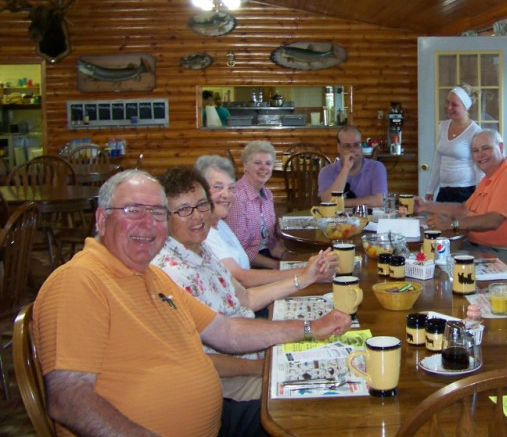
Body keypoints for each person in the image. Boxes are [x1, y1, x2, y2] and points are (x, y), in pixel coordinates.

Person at [33, 170, 351, 437]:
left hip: (218, 419)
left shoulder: (150, 278)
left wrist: (313, 328)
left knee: (320, 411)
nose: (148, 224)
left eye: (157, 213)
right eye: (133, 211)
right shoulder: (78, 280)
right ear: (102, 219)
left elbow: (227, 332)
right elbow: (68, 400)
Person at [152, 166, 338, 401]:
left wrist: (305, 279)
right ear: (164, 217)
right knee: (320, 395)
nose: (197, 216)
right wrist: (262, 368)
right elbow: (199, 358)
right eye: (183, 210)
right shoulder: (169, 274)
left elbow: (246, 298)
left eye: (201, 205)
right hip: (229, 380)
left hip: (254, 349)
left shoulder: (202, 249)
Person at [195, 154, 335, 288]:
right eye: (217, 187)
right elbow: (242, 278)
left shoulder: (220, 224)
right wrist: (305, 273)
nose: (226, 194)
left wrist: (303, 269)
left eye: (231, 188)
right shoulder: (203, 234)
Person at [415, 129, 507, 265]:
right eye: (475, 151)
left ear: (501, 147)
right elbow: (463, 209)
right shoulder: (490, 176)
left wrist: (451, 224)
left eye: (486, 148)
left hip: (499, 253)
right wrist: (426, 205)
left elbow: (493, 220)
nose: (480, 155)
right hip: (474, 247)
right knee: (425, 260)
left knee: (437, 266)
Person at [226, 140, 290, 269]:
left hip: (266, 253)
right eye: (257, 163)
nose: (264, 168)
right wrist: (277, 266)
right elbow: (240, 251)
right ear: (245, 166)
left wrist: (287, 257)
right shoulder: (238, 198)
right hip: (247, 265)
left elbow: (269, 239)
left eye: (268, 163)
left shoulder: (267, 194)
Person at [425, 85, 483, 203]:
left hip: (465, 192)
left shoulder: (475, 132)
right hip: (444, 191)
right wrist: (430, 189)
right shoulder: (443, 126)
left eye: (454, 104)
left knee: (457, 222)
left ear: (465, 107)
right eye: (447, 102)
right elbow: (438, 160)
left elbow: (479, 167)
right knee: (439, 221)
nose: (449, 107)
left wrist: (480, 194)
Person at [318, 125, 388, 208]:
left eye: (356, 145)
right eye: (347, 146)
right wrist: (346, 169)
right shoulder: (326, 172)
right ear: (339, 148)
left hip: (369, 220)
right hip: (336, 220)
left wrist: (341, 203)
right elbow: (327, 201)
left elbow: (380, 200)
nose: (352, 149)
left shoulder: (377, 167)